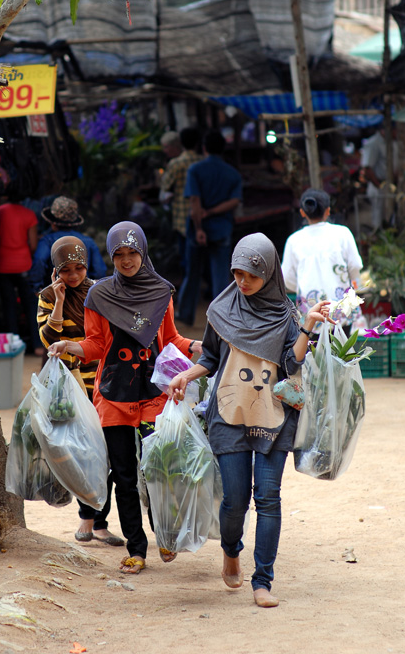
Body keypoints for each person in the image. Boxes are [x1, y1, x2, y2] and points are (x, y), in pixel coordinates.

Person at [168, 233, 332, 608]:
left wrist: (306, 325)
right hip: (229, 415)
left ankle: (263, 582)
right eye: (238, 273)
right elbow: (209, 356)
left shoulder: (287, 314)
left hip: (274, 418)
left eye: (251, 276)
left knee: (269, 498)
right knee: (235, 501)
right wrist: (185, 376)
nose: (243, 282)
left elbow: (292, 365)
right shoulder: (222, 309)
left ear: (269, 273)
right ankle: (230, 549)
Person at [48, 221, 203, 575]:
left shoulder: (161, 292)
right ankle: (137, 548)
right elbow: (96, 345)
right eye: (119, 254)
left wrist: (197, 347)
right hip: (114, 395)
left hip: (154, 394)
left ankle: (166, 533)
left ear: (143, 253)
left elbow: (170, 339)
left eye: (133, 253)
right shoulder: (99, 296)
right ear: (111, 257)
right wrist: (68, 345)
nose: (127, 260)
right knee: (124, 474)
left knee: (160, 470)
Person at [37, 236, 124, 547]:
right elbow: (48, 342)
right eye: (66, 270)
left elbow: (110, 336)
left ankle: (98, 523)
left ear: (87, 266)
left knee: (110, 455)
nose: (73, 276)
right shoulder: (48, 296)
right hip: (72, 391)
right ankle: (88, 520)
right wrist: (59, 301)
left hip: (104, 384)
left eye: (79, 268)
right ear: (55, 269)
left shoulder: (100, 292)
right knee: (84, 455)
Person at [177, 130, 242, 325]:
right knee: (220, 275)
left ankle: (186, 314)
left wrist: (199, 228)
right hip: (221, 227)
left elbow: (195, 200)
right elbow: (234, 201)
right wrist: (213, 211)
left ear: (204, 148)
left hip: (199, 228)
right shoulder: (232, 173)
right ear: (223, 149)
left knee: (193, 273)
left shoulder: (195, 170)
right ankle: (221, 318)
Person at [282, 189, 363, 332]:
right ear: (328, 211)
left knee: (313, 353)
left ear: (302, 212)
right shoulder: (343, 233)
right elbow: (355, 266)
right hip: (342, 310)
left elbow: (287, 279)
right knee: (342, 352)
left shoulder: (293, 241)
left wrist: (303, 286)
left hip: (310, 314)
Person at [0, 183, 44, 356]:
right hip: (23, 264)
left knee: (9, 305)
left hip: (2, 263)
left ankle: (13, 345)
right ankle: (37, 346)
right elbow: (34, 245)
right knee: (30, 304)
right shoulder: (29, 215)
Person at [29, 196, 107, 294]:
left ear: (53, 223)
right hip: (83, 295)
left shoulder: (47, 241)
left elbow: (39, 261)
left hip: (55, 293)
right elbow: (99, 270)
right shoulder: (88, 242)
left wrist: (37, 287)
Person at [159, 127, 202, 270]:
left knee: (187, 260)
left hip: (182, 217)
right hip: (203, 215)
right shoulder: (203, 161)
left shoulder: (176, 164)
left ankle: (189, 289)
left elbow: (165, 187)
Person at [360, 124, 399, 231]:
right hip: (378, 185)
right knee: (378, 215)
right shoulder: (373, 143)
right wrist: (379, 185)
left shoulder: (393, 142)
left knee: (391, 215)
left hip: (391, 184)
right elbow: (367, 168)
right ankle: (377, 238)